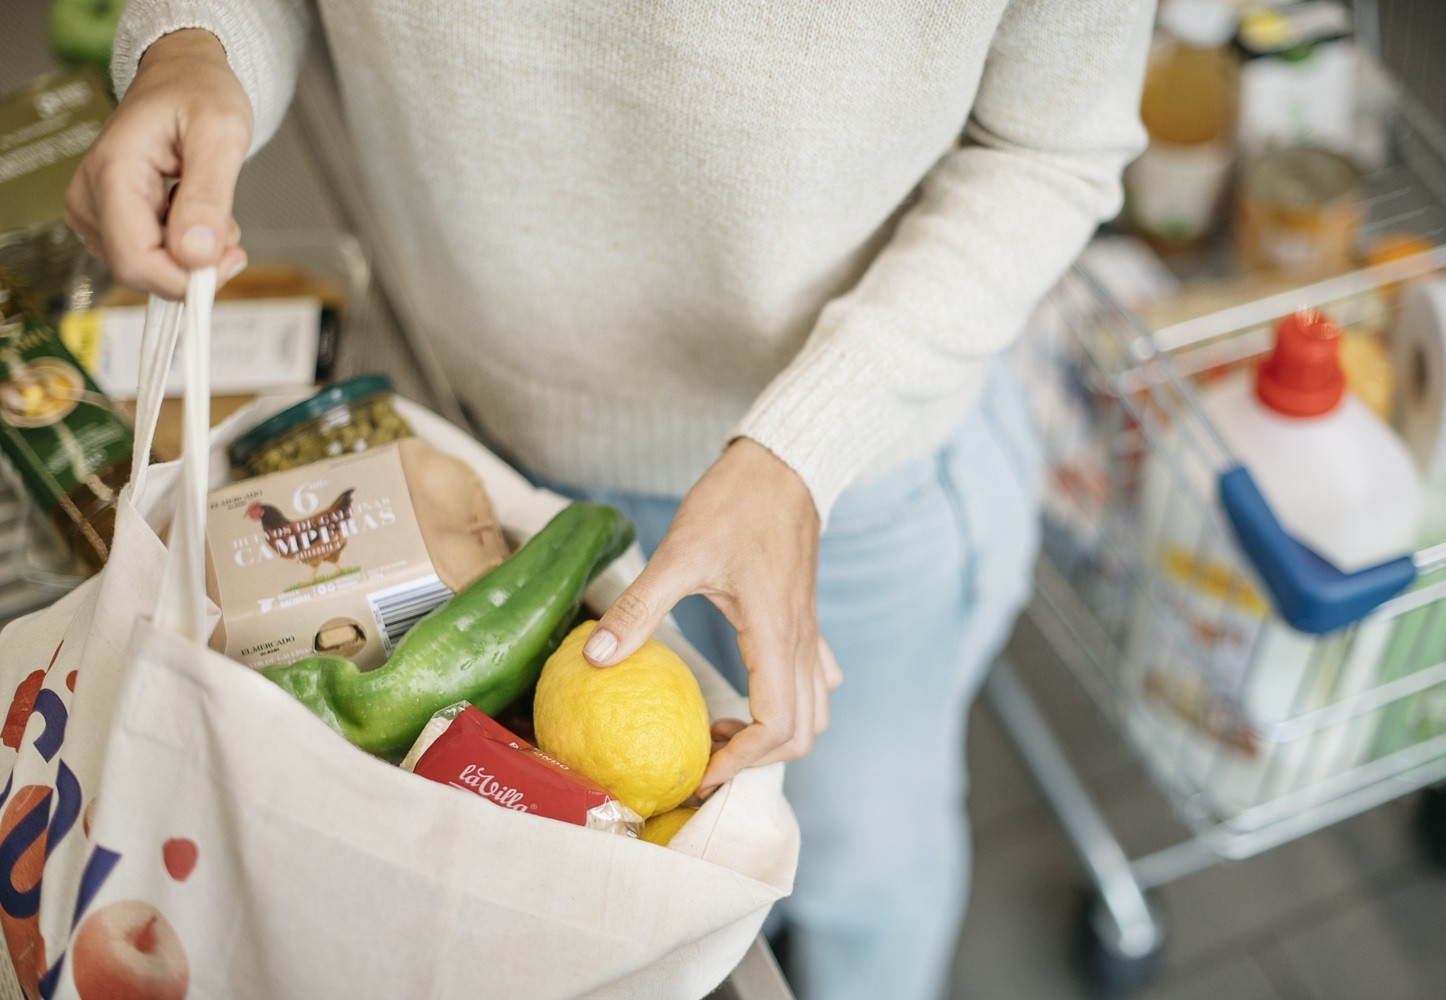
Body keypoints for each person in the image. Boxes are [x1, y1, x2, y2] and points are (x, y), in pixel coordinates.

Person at [66, 3, 1153, 998]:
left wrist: (802, 445)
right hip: (471, 450)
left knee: (862, 864)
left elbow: (1055, 143)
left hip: (853, 489)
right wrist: (192, 47)